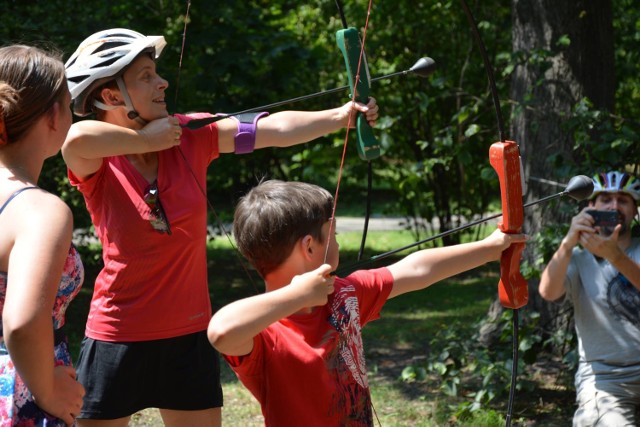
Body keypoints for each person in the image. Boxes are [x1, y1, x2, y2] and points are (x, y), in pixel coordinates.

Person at [62, 28, 379, 426]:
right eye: (145, 76)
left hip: (189, 335)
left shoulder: (189, 135)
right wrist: (145, 140)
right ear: (111, 97)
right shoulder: (99, 160)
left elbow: (272, 129)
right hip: (116, 333)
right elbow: (75, 139)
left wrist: (339, 118)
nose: (162, 82)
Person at [207, 179, 527, 426]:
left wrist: (490, 248)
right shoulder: (264, 334)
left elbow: (415, 270)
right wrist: (298, 295)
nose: (337, 241)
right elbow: (221, 331)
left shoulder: (343, 295)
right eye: (331, 234)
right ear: (309, 247)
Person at [0, 45, 85, 425]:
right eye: (69, 104)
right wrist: (48, 391)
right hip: (20, 390)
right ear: (54, 115)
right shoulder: (40, 211)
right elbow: (21, 322)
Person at [539, 170, 640, 426]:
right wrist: (567, 243)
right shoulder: (576, 258)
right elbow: (548, 292)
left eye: (623, 200)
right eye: (605, 199)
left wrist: (615, 255)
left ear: (635, 210)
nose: (614, 206)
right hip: (605, 378)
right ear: (590, 206)